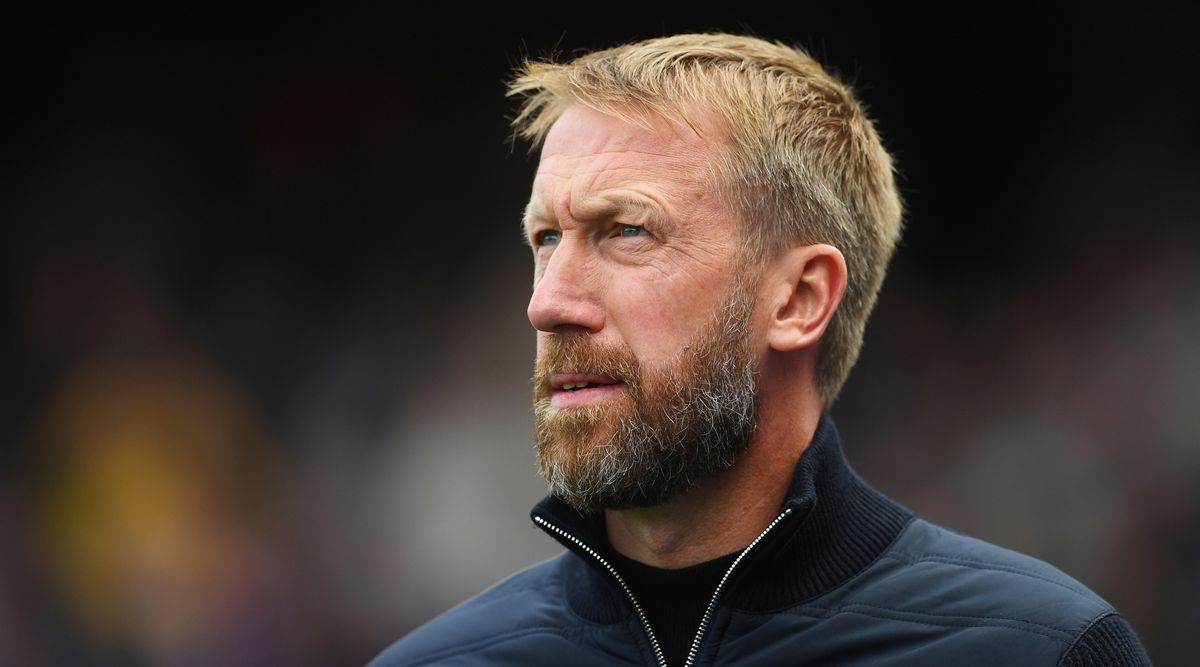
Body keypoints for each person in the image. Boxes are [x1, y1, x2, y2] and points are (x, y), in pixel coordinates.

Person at [370, 33, 1150, 666]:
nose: (546, 303)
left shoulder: (1038, 651)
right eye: (546, 238)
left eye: (626, 231)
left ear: (800, 297)